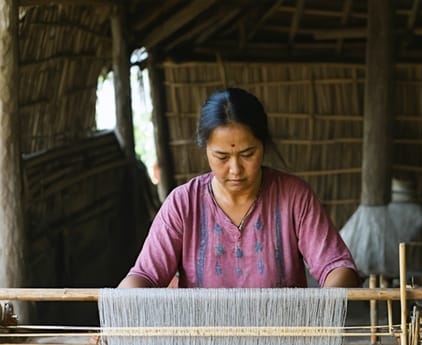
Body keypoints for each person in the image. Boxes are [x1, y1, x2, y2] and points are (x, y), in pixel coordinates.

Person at [119, 88, 359, 289]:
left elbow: (336, 267)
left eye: (247, 154)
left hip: (282, 343)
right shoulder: (183, 204)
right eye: (222, 156)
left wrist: (326, 311)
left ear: (263, 145)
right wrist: (118, 315)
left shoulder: (294, 197)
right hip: (203, 344)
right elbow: (146, 276)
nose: (235, 169)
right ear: (205, 150)